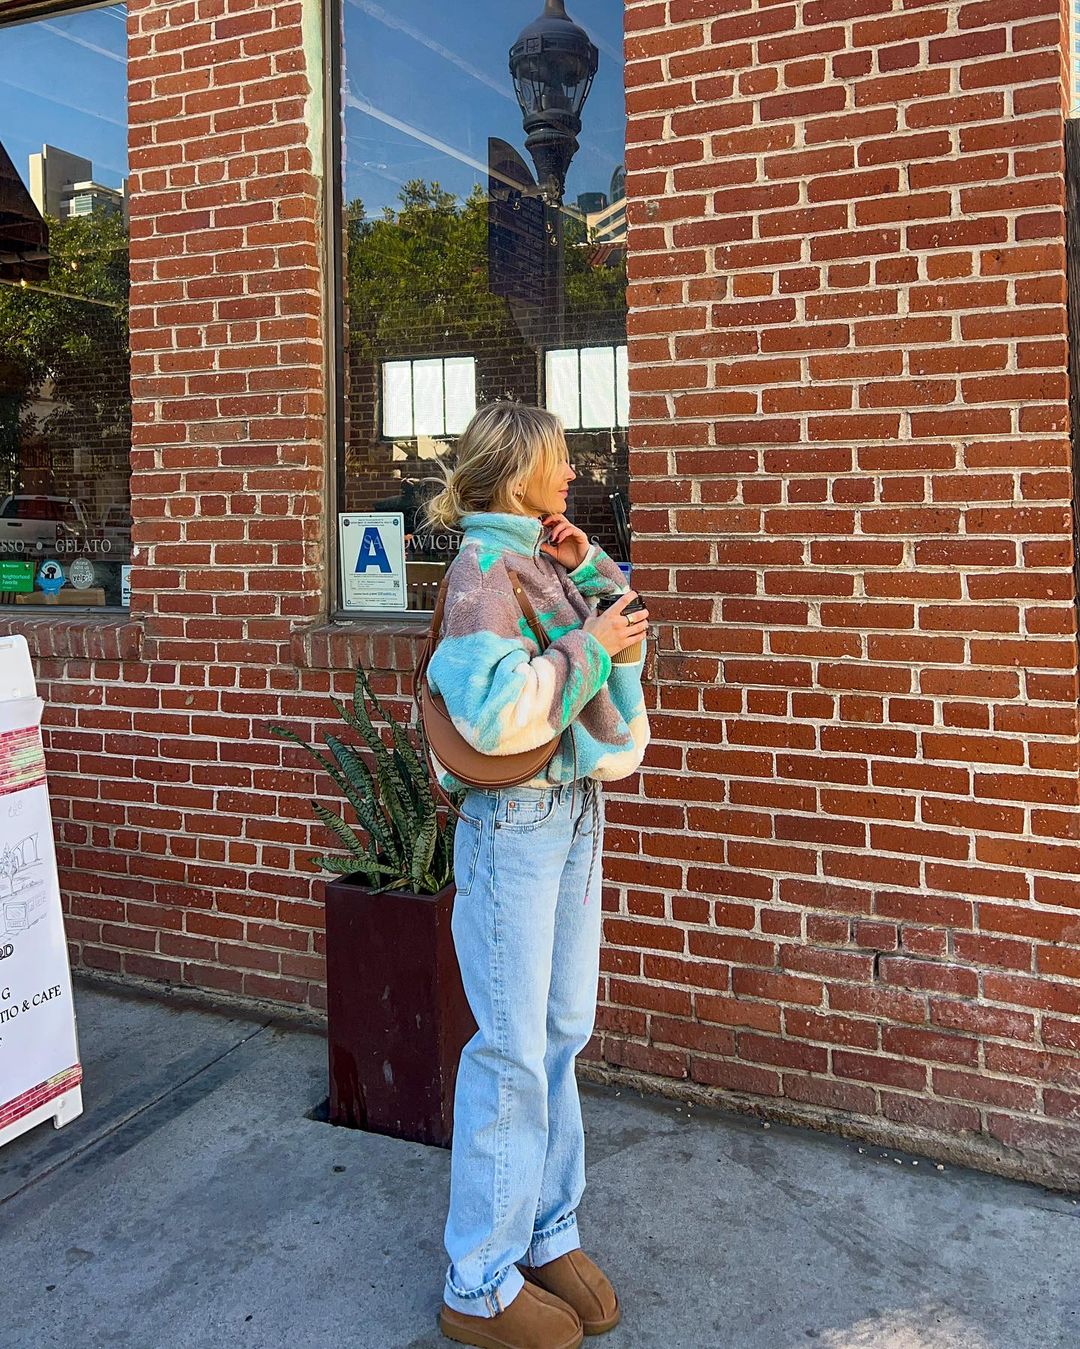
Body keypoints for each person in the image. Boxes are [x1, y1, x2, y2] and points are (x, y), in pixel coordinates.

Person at [424, 401, 650, 1349]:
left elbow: (626, 631)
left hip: (569, 813)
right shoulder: (482, 570)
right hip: (514, 820)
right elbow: (493, 713)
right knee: (512, 1047)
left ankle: (546, 1230)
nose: (573, 474)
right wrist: (592, 646)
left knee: (560, 1032)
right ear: (520, 472)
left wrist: (590, 567)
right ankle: (477, 1278)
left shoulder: (545, 560)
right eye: (559, 460)